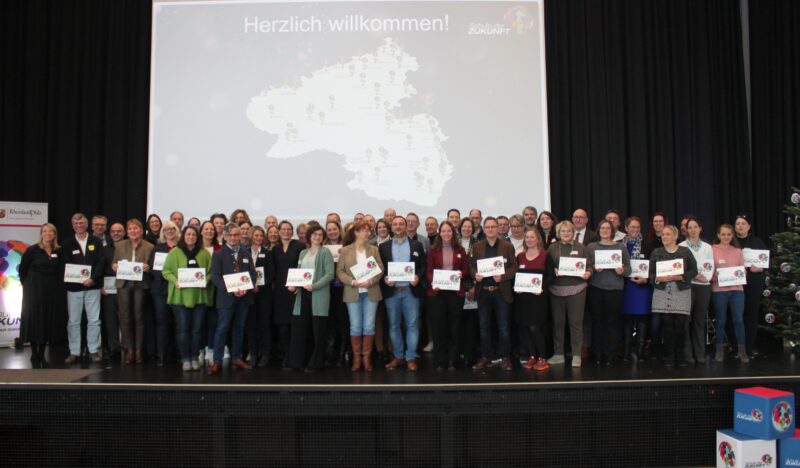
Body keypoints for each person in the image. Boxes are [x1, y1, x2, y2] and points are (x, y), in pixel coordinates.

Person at [208, 223, 257, 375]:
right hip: (226, 299)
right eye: (230, 235)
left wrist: (246, 288)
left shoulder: (246, 253)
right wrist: (231, 289)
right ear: (225, 236)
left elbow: (253, 275)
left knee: (239, 329)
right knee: (222, 329)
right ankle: (217, 361)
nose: (234, 238)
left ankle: (237, 358)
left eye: (236, 235)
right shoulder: (218, 254)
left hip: (244, 298)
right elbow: (215, 277)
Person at [470, 217, 518, 371]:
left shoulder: (507, 246)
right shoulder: (477, 246)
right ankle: (485, 357)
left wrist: (502, 276)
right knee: (484, 327)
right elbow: (471, 266)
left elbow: (514, 267)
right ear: (484, 229)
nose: (490, 229)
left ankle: (505, 357)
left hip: (501, 293)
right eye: (487, 227)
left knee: (503, 327)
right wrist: (475, 274)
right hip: (483, 292)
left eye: (493, 227)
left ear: (498, 229)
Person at [162, 226, 212, 371]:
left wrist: (206, 281)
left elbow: (210, 272)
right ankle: (185, 359)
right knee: (183, 329)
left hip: (199, 297)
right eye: (188, 234)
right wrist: (175, 281)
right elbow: (166, 271)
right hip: (180, 297)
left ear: (198, 237)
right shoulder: (175, 252)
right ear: (183, 236)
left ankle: (195, 357)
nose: (191, 237)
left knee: (197, 330)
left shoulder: (204, 254)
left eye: (194, 234)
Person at [379, 216, 427, 371]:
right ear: (391, 227)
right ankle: (398, 357)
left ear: (406, 226)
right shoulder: (383, 247)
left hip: (410, 291)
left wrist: (418, 277)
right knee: (393, 326)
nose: (398, 226)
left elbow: (422, 266)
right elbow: (381, 269)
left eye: (401, 224)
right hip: (392, 292)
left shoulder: (417, 245)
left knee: (412, 325)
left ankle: (410, 357)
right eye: (395, 224)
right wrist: (385, 278)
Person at [286, 226, 335, 372]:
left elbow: (330, 274)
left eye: (320, 235)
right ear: (309, 236)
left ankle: (316, 363)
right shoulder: (303, 253)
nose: (317, 237)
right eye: (314, 234)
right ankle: (297, 362)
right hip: (302, 295)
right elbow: (299, 273)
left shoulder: (325, 252)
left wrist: (314, 286)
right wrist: (293, 285)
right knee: (300, 329)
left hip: (318, 295)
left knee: (318, 331)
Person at [337, 221, 385, 371]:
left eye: (368, 230)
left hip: (371, 291)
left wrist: (370, 281)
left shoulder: (374, 249)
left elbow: (380, 269)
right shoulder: (345, 251)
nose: (367, 233)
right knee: (356, 327)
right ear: (356, 232)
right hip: (353, 292)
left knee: (369, 326)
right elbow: (340, 272)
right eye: (364, 230)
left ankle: (367, 358)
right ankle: (357, 359)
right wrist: (352, 281)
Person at [649, 225, 697, 367]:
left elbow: (694, 270)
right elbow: (650, 273)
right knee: (667, 326)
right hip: (663, 291)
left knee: (680, 325)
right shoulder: (656, 252)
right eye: (663, 234)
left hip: (681, 291)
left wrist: (681, 276)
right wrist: (658, 278)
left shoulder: (685, 251)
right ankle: (669, 355)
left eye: (668, 234)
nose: (664, 237)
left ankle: (680, 355)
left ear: (675, 237)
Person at [547, 220, 593, 367]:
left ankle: (576, 355)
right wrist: (552, 271)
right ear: (558, 233)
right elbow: (547, 266)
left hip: (577, 289)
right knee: (558, 323)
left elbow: (590, 265)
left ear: (573, 233)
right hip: (556, 290)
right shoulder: (552, 248)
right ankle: (559, 354)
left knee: (576, 323)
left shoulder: (581, 247)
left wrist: (589, 272)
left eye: (569, 231)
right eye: (563, 231)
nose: (566, 234)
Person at [61, 213, 105, 364]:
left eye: (82, 223)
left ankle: (93, 350)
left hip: (93, 286)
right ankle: (74, 352)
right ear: (73, 225)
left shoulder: (96, 241)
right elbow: (65, 264)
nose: (79, 225)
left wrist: (93, 279)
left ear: (87, 225)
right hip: (74, 288)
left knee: (94, 320)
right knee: (73, 321)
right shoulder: (67, 243)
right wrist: (79, 280)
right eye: (76, 223)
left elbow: (101, 262)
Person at [426, 221, 470, 371]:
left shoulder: (460, 249)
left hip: (455, 293)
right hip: (437, 293)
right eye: (443, 231)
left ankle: (452, 359)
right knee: (439, 328)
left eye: (449, 231)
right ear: (439, 233)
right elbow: (429, 271)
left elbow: (466, 270)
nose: (446, 234)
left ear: (453, 233)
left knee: (454, 327)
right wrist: (433, 282)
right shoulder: (433, 250)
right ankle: (440, 360)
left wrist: (460, 274)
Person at [19, 223, 65, 368]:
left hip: (51, 291)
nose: (48, 233)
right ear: (41, 233)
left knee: (46, 321)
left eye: (51, 231)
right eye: (45, 231)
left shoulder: (59, 250)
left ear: (54, 234)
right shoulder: (32, 250)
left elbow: (62, 270)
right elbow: (23, 270)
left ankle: (42, 354)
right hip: (34, 290)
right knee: (35, 320)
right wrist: (28, 286)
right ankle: (34, 354)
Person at [586, 220, 631, 365]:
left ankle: (610, 354)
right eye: (602, 228)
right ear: (598, 230)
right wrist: (593, 268)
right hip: (595, 288)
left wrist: (622, 270)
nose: (605, 230)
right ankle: (598, 354)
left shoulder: (620, 247)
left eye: (608, 228)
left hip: (615, 289)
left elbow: (629, 269)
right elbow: (585, 266)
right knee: (597, 321)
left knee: (612, 322)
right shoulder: (591, 247)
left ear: (612, 231)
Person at [112, 219, 154, 365]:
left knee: (139, 317)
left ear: (141, 230)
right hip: (124, 284)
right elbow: (114, 263)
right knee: (125, 317)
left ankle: (138, 351)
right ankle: (129, 349)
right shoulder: (120, 245)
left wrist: (148, 267)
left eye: (136, 228)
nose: (133, 231)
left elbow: (152, 266)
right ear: (127, 232)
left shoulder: (149, 246)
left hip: (141, 284)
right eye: (130, 229)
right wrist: (115, 266)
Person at [514, 227, 554, 371]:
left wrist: (542, 287)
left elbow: (551, 276)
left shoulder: (545, 256)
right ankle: (532, 356)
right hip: (523, 298)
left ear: (538, 239)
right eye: (527, 237)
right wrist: (516, 287)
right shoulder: (520, 257)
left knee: (535, 328)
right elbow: (516, 276)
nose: (529, 240)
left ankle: (542, 357)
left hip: (538, 298)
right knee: (525, 327)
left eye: (532, 237)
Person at [711, 224, 748, 363]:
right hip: (718, 290)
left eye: (729, 234)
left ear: (732, 236)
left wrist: (738, 275)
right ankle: (719, 351)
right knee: (720, 321)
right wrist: (717, 276)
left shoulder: (738, 251)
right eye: (723, 234)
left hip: (737, 290)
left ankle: (742, 351)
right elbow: (709, 269)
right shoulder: (712, 249)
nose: (726, 237)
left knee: (738, 320)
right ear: (718, 235)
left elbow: (743, 271)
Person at [679, 217, 713, 363]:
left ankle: (700, 353)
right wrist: (693, 276)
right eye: (689, 227)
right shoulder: (681, 246)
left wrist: (705, 278)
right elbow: (680, 268)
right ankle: (687, 354)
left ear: (700, 228)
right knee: (686, 321)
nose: (692, 230)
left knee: (699, 321)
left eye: (695, 227)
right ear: (686, 230)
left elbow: (710, 267)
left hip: (703, 287)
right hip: (687, 286)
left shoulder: (707, 247)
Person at [620, 216, 654, 361]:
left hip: (642, 288)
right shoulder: (619, 245)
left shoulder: (648, 244)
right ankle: (626, 351)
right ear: (626, 228)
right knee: (626, 319)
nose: (635, 230)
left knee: (642, 318)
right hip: (625, 287)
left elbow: (653, 266)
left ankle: (640, 350)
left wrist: (645, 280)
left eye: (637, 227)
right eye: (632, 227)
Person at [734, 214, 768, 359]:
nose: (740, 226)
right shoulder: (731, 242)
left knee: (752, 315)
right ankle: (737, 346)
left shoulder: (757, 242)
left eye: (743, 223)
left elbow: (766, 263)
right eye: (737, 224)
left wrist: (760, 268)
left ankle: (750, 346)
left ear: (748, 227)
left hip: (754, 283)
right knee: (736, 316)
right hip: (736, 283)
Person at [271, 220, 305, 365]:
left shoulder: (300, 246)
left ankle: (296, 356)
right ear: (278, 232)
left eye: (289, 229)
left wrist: (297, 284)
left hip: (296, 291)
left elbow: (303, 267)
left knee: (295, 325)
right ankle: (286, 356)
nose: (286, 231)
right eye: (283, 229)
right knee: (282, 326)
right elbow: (272, 271)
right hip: (279, 292)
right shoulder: (275, 249)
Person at [148, 220, 179, 366]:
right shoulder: (157, 249)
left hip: (179, 290)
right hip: (160, 290)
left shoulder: (182, 248)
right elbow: (152, 269)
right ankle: (162, 355)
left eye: (172, 228)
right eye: (166, 229)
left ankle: (178, 354)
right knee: (162, 323)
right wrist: (167, 274)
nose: (170, 231)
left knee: (178, 322)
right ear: (163, 232)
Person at [246, 226, 274, 367]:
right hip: (248, 295)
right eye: (256, 235)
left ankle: (265, 354)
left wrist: (260, 286)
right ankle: (253, 353)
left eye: (261, 236)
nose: (258, 238)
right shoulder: (244, 253)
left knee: (265, 325)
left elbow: (271, 274)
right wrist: (250, 286)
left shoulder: (268, 253)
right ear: (251, 236)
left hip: (264, 295)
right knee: (251, 325)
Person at [324, 221, 349, 367]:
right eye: (329, 230)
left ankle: (341, 354)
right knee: (329, 322)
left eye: (335, 229)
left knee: (342, 322)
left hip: (343, 289)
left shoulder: (346, 246)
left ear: (339, 230)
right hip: (327, 289)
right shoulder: (323, 246)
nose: (332, 232)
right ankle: (330, 353)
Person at [100, 222, 125, 360]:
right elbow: (99, 269)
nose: (116, 233)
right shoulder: (103, 249)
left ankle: (126, 347)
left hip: (126, 288)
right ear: (110, 233)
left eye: (119, 231)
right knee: (110, 320)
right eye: (113, 231)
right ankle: (113, 348)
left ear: (124, 233)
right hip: (108, 290)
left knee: (126, 319)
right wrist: (99, 286)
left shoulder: (129, 248)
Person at [458, 217, 479, 364]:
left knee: (472, 323)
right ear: (460, 228)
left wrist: (475, 286)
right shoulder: (453, 243)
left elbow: (480, 266)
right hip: (456, 288)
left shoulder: (478, 244)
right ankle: (460, 352)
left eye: (469, 227)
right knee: (459, 322)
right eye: (464, 227)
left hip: (473, 287)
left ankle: (470, 353)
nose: (466, 229)